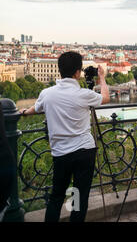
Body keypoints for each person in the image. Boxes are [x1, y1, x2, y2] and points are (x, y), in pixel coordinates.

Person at [20, 51, 110, 222]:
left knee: (56, 196)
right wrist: (102, 78)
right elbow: (105, 98)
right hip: (84, 151)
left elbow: (35, 109)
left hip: (61, 153)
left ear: (60, 70)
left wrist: (23, 112)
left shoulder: (47, 93)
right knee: (77, 196)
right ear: (77, 72)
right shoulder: (84, 94)